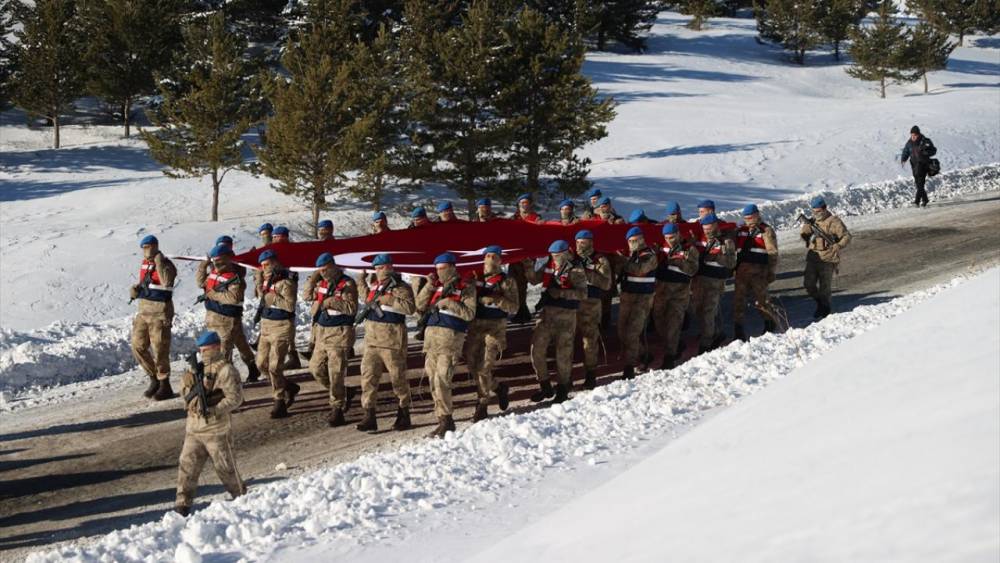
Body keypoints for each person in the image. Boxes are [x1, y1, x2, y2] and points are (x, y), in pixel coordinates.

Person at [174, 331, 245, 517]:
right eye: (201, 349)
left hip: (216, 429)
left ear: (216, 347)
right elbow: (186, 397)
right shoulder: (195, 370)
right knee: (186, 467)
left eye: (206, 349)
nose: (203, 353)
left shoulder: (226, 370)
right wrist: (188, 386)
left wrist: (214, 409)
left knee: (226, 469)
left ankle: (242, 499)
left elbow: (235, 399)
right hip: (194, 429)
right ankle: (182, 505)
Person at [416, 253, 477, 437]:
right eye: (437, 269)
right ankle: (442, 419)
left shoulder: (465, 286)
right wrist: (428, 286)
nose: (439, 272)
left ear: (451, 267)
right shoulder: (436, 287)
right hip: (432, 341)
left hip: (450, 340)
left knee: (441, 380)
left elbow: (469, 314)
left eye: (442, 268)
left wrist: (450, 303)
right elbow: (419, 305)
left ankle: (447, 420)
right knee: (433, 381)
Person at [356, 254, 417, 432]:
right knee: (368, 377)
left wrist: (389, 300)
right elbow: (367, 299)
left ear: (391, 267)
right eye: (377, 268)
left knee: (398, 378)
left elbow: (410, 308)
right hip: (372, 340)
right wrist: (361, 281)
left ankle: (404, 412)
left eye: (383, 267)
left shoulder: (400, 287)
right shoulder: (375, 286)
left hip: (392, 340)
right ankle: (369, 415)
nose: (380, 270)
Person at [525, 240, 587, 403]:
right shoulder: (548, 266)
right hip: (546, 314)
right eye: (552, 255)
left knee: (563, 354)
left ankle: (563, 389)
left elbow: (582, 294)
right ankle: (545, 385)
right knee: (536, 349)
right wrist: (527, 265)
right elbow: (533, 279)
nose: (555, 258)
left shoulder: (576, 270)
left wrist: (560, 293)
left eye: (558, 255)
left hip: (566, 315)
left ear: (566, 253)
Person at [465, 246, 518, 421]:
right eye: (487, 256)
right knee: (473, 366)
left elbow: (515, 307)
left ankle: (482, 404)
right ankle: (498, 387)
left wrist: (497, 299)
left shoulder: (507, 281)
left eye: (494, 257)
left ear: (500, 260)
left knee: (484, 367)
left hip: (495, 328)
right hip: (476, 327)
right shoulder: (476, 278)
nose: (490, 260)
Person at [195, 244, 260, 382]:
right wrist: (203, 266)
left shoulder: (234, 277)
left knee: (224, 353)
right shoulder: (214, 273)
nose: (216, 264)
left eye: (219, 260)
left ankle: (229, 382)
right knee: (241, 343)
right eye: (214, 261)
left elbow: (233, 298)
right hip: (214, 317)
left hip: (227, 319)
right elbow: (201, 283)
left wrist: (213, 295)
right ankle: (252, 367)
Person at [307, 253, 358, 426]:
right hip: (322, 331)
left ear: (333, 266)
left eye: (325, 269)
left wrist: (330, 302)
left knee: (335, 372)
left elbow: (351, 308)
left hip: (340, 332)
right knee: (315, 368)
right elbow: (307, 296)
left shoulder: (347, 283)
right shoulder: (321, 283)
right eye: (320, 270)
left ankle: (337, 407)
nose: (323, 273)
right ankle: (343, 392)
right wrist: (313, 279)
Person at [255, 249, 301, 418]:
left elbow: (290, 306)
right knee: (261, 364)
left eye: (266, 264)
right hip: (266, 325)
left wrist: (272, 298)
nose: (264, 268)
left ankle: (279, 401)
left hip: (282, 326)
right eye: (262, 266)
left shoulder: (286, 282)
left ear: (274, 262)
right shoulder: (268, 280)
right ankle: (288, 386)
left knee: (275, 366)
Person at [131, 234, 177, 400]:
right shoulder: (145, 264)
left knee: (160, 349)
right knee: (137, 345)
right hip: (144, 310)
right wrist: (136, 290)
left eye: (149, 246)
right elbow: (147, 284)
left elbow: (166, 282)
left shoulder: (166, 264)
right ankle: (153, 377)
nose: (147, 250)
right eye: (144, 248)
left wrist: (159, 261)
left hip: (160, 311)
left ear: (156, 246)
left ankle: (165, 384)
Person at [652, 223, 699, 369]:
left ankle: (670, 356)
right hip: (662, 290)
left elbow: (693, 270)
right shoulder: (661, 247)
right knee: (658, 320)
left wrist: (680, 263)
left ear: (678, 234)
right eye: (666, 237)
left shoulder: (689, 250)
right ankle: (676, 343)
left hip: (679, 292)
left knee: (674, 323)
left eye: (672, 237)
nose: (669, 240)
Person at [690, 214, 736, 354]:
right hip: (700, 280)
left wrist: (717, 257)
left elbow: (731, 263)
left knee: (708, 312)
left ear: (716, 226)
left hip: (715, 281)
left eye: (709, 228)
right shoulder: (699, 240)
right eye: (704, 228)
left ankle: (706, 343)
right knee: (698, 310)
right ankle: (717, 332)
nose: (707, 231)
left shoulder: (725, 242)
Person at [617, 227, 659, 378]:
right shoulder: (630, 255)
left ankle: (629, 366)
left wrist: (623, 261)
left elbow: (639, 270)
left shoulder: (649, 255)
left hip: (643, 298)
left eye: (636, 240)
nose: (633, 243)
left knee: (632, 332)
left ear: (642, 239)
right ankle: (643, 354)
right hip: (628, 296)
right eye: (630, 241)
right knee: (622, 331)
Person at [733, 204, 779, 340]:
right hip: (741, 273)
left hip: (759, 273)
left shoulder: (766, 231)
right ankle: (738, 329)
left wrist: (771, 271)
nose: (748, 220)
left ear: (757, 215)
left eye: (751, 217)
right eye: (746, 218)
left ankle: (769, 324)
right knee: (738, 301)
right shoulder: (741, 230)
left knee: (762, 300)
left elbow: (772, 253)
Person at [801, 197, 852, 320]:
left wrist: (838, 245)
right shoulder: (812, 221)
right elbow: (805, 237)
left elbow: (847, 236)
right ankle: (820, 303)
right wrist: (806, 231)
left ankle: (825, 309)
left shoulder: (834, 222)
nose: (815, 214)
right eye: (813, 211)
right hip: (813, 257)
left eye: (818, 211)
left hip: (828, 258)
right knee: (808, 284)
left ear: (824, 209)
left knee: (825, 288)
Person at [574, 230, 612, 389]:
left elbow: (606, 284)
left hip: (591, 303)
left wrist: (587, 275)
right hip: (571, 304)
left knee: (589, 340)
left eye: (584, 242)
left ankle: (591, 374)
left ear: (591, 242)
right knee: (566, 341)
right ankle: (566, 378)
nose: (580, 245)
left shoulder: (600, 260)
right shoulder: (571, 258)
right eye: (578, 242)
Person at [509, 193, 542, 323]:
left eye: (526, 203)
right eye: (522, 203)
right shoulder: (513, 218)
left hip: (527, 258)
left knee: (523, 285)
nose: (524, 205)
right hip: (514, 257)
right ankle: (520, 310)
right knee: (514, 285)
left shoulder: (536, 218)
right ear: (518, 204)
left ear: (530, 204)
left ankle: (522, 311)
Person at [901, 125, 937, 207]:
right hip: (914, 165)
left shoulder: (925, 141)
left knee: (920, 183)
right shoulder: (909, 142)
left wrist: (927, 153)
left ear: (918, 134)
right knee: (918, 184)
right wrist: (903, 159)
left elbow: (933, 150)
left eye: (915, 135)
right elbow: (906, 151)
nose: (913, 137)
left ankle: (917, 201)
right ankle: (925, 199)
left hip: (923, 165)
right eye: (912, 135)